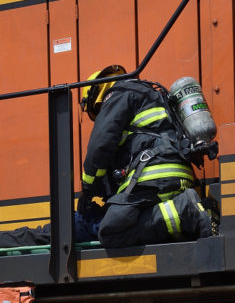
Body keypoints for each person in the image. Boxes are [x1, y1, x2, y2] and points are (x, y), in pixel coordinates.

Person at [79, 65, 215, 248]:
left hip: (154, 178)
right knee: (150, 220)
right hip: (180, 178)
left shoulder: (119, 93)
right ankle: (196, 208)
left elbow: (100, 145)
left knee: (111, 231)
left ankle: (186, 209)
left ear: (96, 93)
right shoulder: (155, 96)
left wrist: (88, 190)